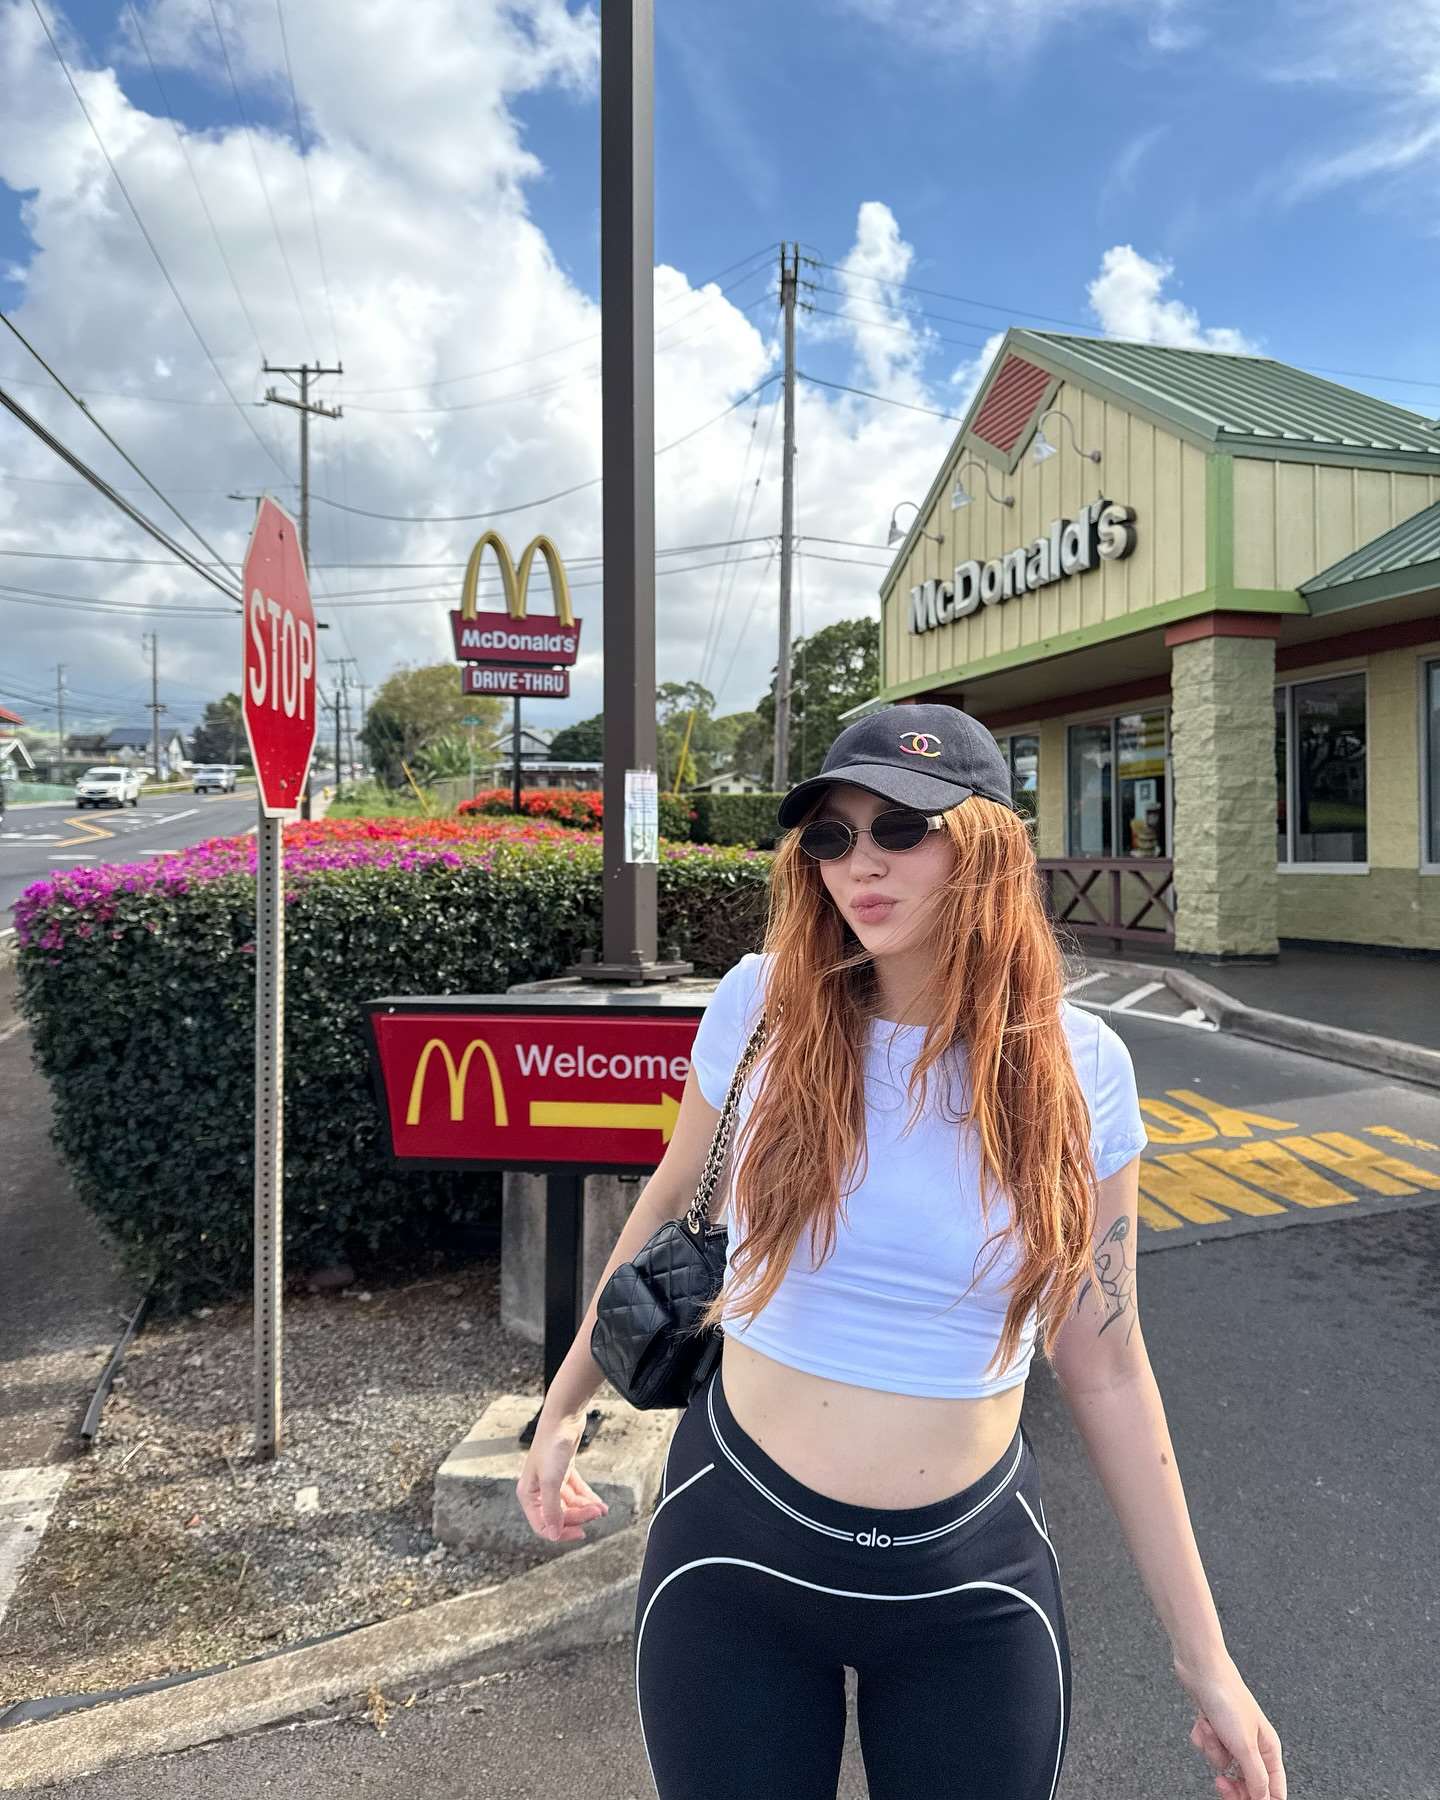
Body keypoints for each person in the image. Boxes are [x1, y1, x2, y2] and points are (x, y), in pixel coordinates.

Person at [516, 703, 1286, 1800]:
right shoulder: (761, 1008)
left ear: (986, 847)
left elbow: (1108, 1363)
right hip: (733, 1555)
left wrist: (1207, 1661)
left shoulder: (1079, 1067)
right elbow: (664, 1208)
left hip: (970, 1589)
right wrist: (563, 1407)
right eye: (831, 836)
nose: (859, 864)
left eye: (901, 829)